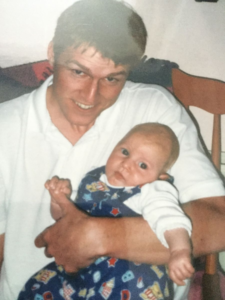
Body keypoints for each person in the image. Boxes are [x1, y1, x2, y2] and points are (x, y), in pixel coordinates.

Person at [0, 0, 225, 299]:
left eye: (111, 78)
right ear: (53, 52)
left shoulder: (154, 110)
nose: (91, 96)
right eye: (79, 72)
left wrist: (99, 236)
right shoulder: (6, 126)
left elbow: (218, 220)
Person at [18, 123, 194, 300]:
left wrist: (179, 250)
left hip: (129, 276)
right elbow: (66, 222)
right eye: (125, 152)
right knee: (39, 287)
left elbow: (170, 220)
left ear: (161, 176)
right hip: (79, 271)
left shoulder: (152, 190)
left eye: (142, 165)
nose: (126, 164)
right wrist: (59, 201)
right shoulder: (94, 180)